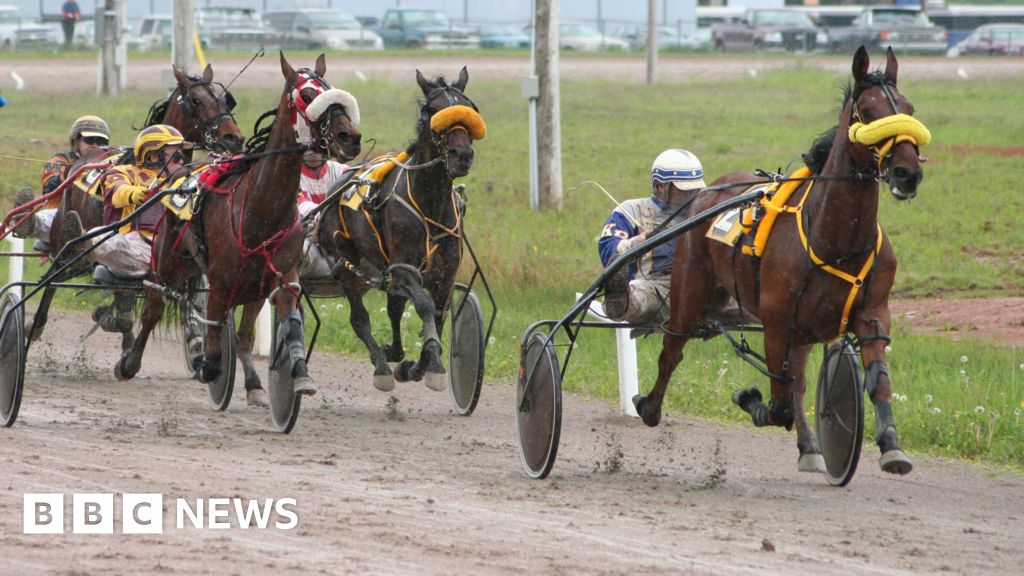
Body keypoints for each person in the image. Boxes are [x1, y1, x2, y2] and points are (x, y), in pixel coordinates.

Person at [62, 124, 188, 279]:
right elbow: (117, 192)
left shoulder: (185, 182)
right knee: (100, 236)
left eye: (183, 154)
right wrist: (140, 194)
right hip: (138, 245)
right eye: (176, 155)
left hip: (175, 250)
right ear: (154, 156)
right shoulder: (124, 172)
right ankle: (83, 246)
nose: (182, 160)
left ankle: (85, 245)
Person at [597, 148, 706, 324]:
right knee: (638, 296)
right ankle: (619, 300)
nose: (690, 196)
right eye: (683, 191)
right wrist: (636, 243)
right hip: (657, 287)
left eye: (693, 190)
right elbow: (607, 250)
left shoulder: (709, 211)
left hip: (704, 286)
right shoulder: (631, 210)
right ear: (661, 187)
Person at [12, 115, 110, 252]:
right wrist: (67, 175)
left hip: (96, 217)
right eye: (90, 140)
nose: (95, 145)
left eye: (100, 142)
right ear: (76, 141)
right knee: (51, 217)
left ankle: (84, 239)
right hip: (62, 213)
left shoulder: (110, 164)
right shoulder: (61, 160)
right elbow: (48, 187)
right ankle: (29, 223)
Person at [297, 149, 349, 279]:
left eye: (316, 148)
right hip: (309, 241)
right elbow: (301, 205)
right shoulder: (290, 176)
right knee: (301, 254)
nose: (312, 153)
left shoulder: (343, 171)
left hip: (343, 240)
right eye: (306, 149)